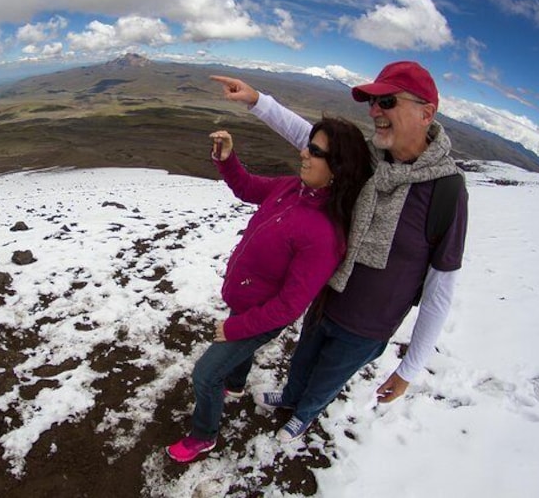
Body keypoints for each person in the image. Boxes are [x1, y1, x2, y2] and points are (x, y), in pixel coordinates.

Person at [210, 60, 468, 443]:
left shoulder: (447, 193)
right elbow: (315, 143)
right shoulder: (373, 162)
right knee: (303, 361)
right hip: (326, 299)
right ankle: (293, 394)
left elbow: (440, 289)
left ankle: (305, 413)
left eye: (387, 102)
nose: (375, 112)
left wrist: (409, 370)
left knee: (329, 376)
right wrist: (257, 101)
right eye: (372, 102)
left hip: (368, 326)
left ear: (425, 112)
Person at [166, 116, 372, 463]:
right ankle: (235, 383)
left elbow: (289, 307)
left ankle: (204, 435)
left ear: (338, 168)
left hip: (261, 316)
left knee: (204, 374)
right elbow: (247, 187)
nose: (304, 153)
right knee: (228, 366)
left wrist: (234, 328)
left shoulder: (324, 235)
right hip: (246, 298)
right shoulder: (292, 188)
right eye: (309, 144)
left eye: (316, 151)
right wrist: (227, 160)